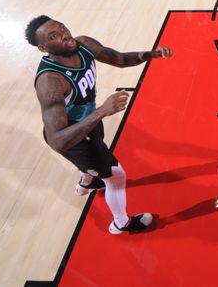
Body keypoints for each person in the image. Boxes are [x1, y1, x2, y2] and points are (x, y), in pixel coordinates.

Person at [26, 16, 172, 234]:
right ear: (43, 47)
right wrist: (102, 111)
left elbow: (120, 59)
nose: (65, 35)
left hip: (89, 121)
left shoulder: (83, 44)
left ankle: (87, 181)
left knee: (98, 157)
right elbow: (57, 141)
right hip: (72, 139)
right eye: (54, 36)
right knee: (117, 175)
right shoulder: (51, 82)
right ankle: (120, 223)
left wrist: (150, 54)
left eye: (62, 27)